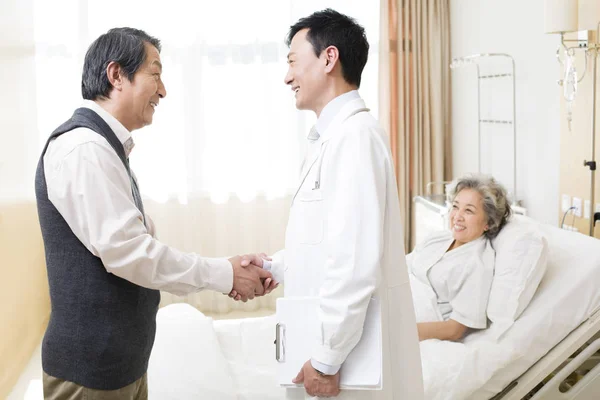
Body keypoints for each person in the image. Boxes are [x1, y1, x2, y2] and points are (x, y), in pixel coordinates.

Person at [34, 27, 275, 399]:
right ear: (116, 75)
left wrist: (229, 271)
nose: (163, 91)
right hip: (93, 371)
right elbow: (132, 254)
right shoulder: (84, 149)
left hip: (119, 362)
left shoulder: (107, 149)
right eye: (155, 74)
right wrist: (225, 274)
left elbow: (140, 245)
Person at [231, 9, 424, 399]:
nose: (287, 77)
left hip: (343, 360)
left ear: (329, 58)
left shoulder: (356, 138)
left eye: (292, 62)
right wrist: (275, 266)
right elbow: (326, 241)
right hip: (326, 339)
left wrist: (326, 359)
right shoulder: (333, 137)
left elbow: (354, 262)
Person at [407, 174, 512, 341]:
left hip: (410, 319)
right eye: (455, 207)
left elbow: (454, 330)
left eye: (469, 210)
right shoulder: (439, 238)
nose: (457, 216)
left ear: (488, 222)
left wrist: (398, 332)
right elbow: (403, 266)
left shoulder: (477, 265)